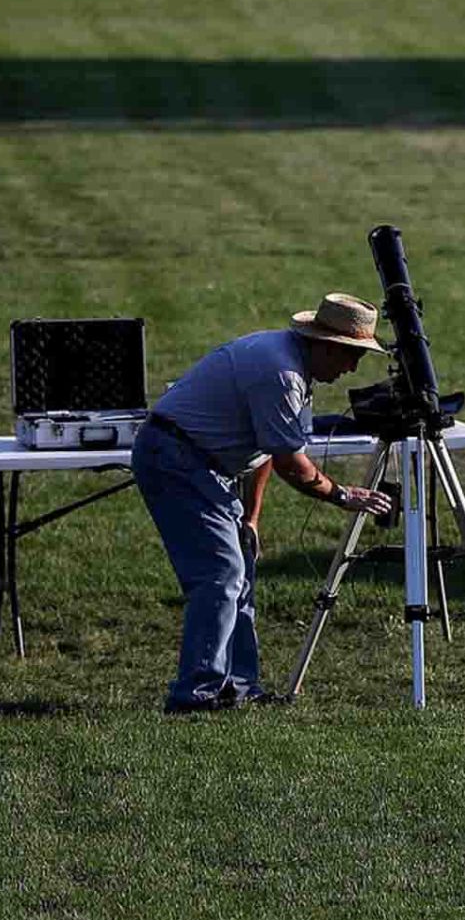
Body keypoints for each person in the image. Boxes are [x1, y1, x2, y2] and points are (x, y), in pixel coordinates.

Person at [133, 292, 394, 713]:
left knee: (241, 568)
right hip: (177, 460)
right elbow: (292, 464)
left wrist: (251, 519)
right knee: (220, 575)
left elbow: (266, 450)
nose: (351, 369)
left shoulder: (291, 363)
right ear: (328, 344)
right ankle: (196, 695)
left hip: (205, 463)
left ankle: (237, 686)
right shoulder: (281, 374)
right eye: (351, 357)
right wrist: (342, 495)